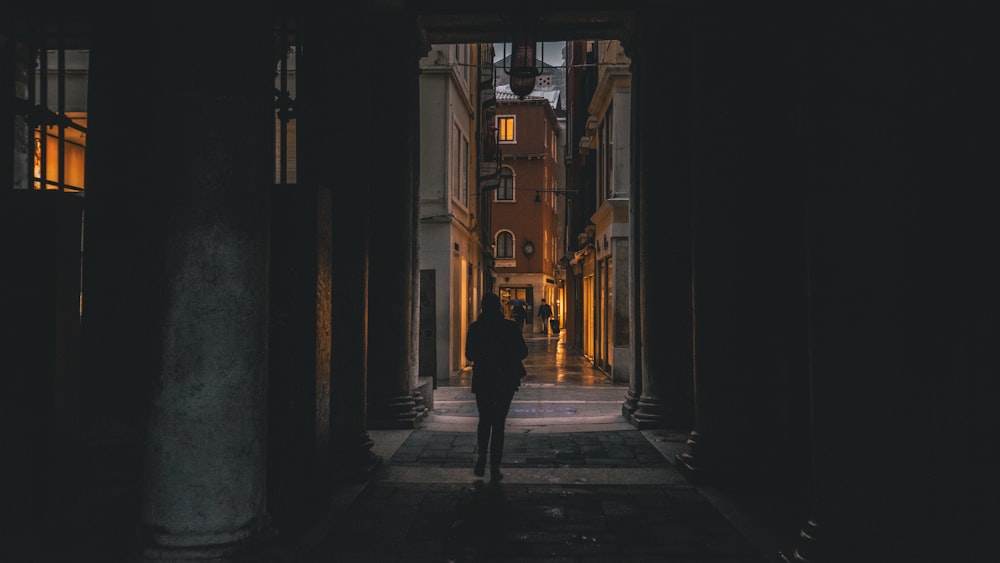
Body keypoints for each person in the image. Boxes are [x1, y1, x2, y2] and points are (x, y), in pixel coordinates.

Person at [465, 292, 529, 482]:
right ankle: (494, 465)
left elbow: (469, 354)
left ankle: (482, 455)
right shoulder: (510, 327)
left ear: (483, 307)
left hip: (483, 378)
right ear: (499, 308)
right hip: (505, 379)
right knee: (499, 423)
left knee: (484, 419)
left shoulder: (476, 328)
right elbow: (523, 351)